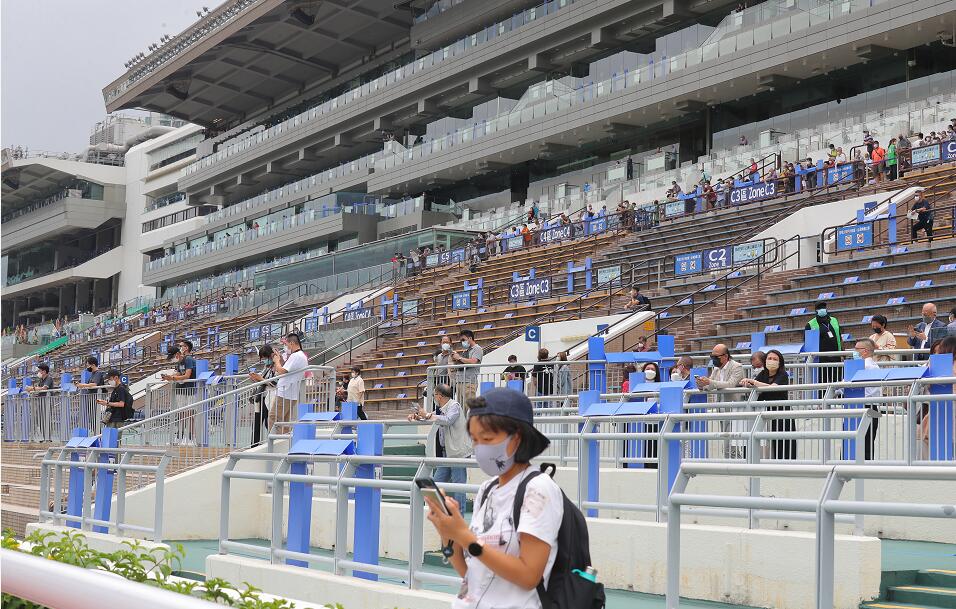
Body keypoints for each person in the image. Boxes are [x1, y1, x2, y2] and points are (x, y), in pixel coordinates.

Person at [423, 388, 562, 609]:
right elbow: (472, 574)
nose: (479, 449)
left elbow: (529, 576)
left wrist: (463, 534)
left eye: (486, 439)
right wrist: (448, 534)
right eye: (475, 440)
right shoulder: (488, 489)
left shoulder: (539, 489)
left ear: (516, 438)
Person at [409, 383, 471, 508]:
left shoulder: (454, 406)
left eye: (434, 395)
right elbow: (431, 417)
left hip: (458, 453)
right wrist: (417, 416)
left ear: (439, 396)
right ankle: (438, 512)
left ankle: (459, 520)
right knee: (435, 484)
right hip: (446, 454)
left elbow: (448, 420)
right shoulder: (441, 409)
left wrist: (426, 415)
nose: (433, 397)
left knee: (459, 488)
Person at [740, 349, 793, 459]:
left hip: (781, 413)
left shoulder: (782, 374)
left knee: (783, 443)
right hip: (765, 413)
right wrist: (747, 383)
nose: (771, 361)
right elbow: (756, 388)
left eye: (775, 359)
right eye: (769, 358)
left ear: (780, 362)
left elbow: (773, 387)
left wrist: (754, 382)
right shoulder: (762, 374)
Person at [696, 343, 746, 458]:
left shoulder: (736, 366)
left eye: (716, 357)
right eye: (712, 357)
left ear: (725, 356)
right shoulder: (716, 369)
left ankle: (734, 461)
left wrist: (710, 382)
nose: (713, 359)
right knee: (726, 436)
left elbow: (731, 384)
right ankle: (731, 459)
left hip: (735, 407)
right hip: (721, 407)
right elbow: (710, 385)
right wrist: (701, 384)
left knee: (733, 438)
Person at [162, 346, 198, 445]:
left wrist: (173, 377)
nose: (173, 359)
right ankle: (179, 437)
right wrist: (169, 378)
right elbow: (177, 374)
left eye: (173, 356)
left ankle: (191, 438)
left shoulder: (188, 360)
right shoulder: (179, 363)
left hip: (190, 390)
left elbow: (187, 375)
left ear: (177, 354)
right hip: (181, 390)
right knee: (181, 414)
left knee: (190, 414)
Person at [853, 339, 882, 460]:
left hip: (861, 406)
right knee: (869, 442)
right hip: (873, 407)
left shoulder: (863, 366)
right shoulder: (876, 366)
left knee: (858, 442)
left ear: (864, 351)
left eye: (856, 350)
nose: (854, 352)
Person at [272, 332, 309, 426]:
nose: (286, 347)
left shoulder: (296, 356)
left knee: (274, 418)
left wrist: (276, 361)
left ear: (292, 343)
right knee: (284, 421)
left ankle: (273, 439)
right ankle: (282, 439)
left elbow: (281, 371)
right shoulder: (301, 356)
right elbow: (287, 368)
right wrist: (280, 358)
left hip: (285, 393)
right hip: (291, 393)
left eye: (286, 344)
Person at [805, 301, 843, 386]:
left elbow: (839, 337)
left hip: (835, 357)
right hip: (821, 360)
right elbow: (808, 344)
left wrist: (842, 353)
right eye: (819, 308)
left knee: (838, 383)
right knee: (822, 384)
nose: (822, 310)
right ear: (816, 311)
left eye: (823, 308)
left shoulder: (834, 320)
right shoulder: (810, 324)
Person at [248, 345, 278, 445]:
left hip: (270, 397)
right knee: (257, 422)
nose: (264, 360)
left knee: (267, 422)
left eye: (265, 358)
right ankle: (254, 445)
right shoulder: (267, 367)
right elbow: (263, 380)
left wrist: (260, 379)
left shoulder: (277, 366)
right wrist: (256, 378)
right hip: (261, 396)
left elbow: (274, 383)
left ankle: (273, 442)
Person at [452, 330, 483, 404]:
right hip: (460, 381)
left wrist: (459, 358)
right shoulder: (465, 351)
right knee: (462, 408)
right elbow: (461, 364)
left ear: (470, 338)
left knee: (470, 406)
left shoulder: (477, 348)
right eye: (461, 340)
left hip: (469, 382)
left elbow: (473, 361)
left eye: (463, 340)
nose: (462, 342)